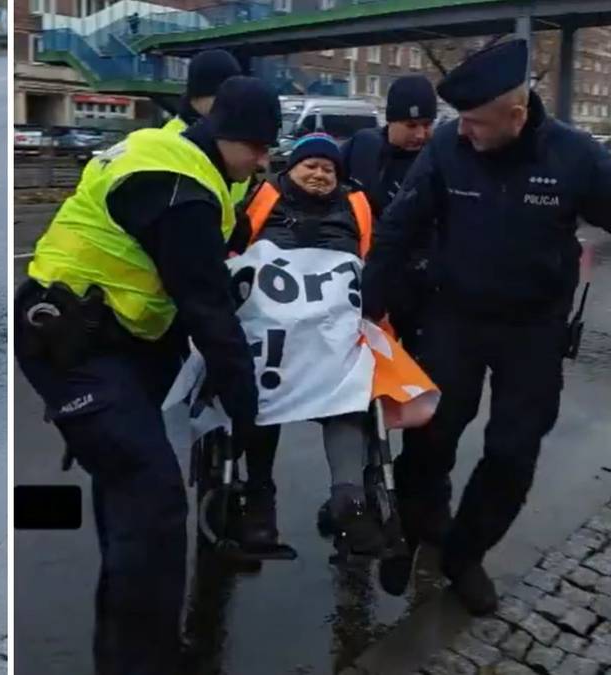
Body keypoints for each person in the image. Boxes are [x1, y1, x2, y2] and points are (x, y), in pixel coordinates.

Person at [15, 76, 278, 673]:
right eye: (258, 148)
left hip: (99, 339)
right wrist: (246, 403)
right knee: (152, 496)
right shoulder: (183, 190)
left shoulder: (173, 152)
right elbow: (205, 303)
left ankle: (132, 651)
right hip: (71, 345)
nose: (263, 161)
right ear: (227, 136)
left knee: (129, 495)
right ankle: (142, 660)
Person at [362, 38, 611, 615]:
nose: (462, 130)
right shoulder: (449, 147)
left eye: (475, 121)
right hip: (455, 317)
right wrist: (368, 309)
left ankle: (464, 554)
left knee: (513, 451)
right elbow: (399, 228)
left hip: (534, 329)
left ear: (516, 115)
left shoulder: (574, 156)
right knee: (430, 433)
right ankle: (419, 521)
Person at [228, 133, 384, 557]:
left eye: (328, 168)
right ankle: (260, 497)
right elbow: (234, 255)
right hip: (271, 329)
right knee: (260, 382)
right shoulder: (263, 199)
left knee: (351, 386)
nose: (319, 174)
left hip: (333, 329)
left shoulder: (356, 207)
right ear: (290, 169)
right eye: (310, 165)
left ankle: (348, 499)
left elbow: (373, 261)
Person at [342, 74, 437, 355]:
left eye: (427, 125)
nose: (420, 134)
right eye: (411, 125)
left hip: (422, 292)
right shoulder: (363, 148)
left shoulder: (440, 158)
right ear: (390, 120)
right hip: (368, 283)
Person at [161, 50, 252, 204]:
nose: (230, 106)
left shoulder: (234, 138)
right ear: (198, 96)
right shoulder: (168, 143)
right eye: (222, 99)